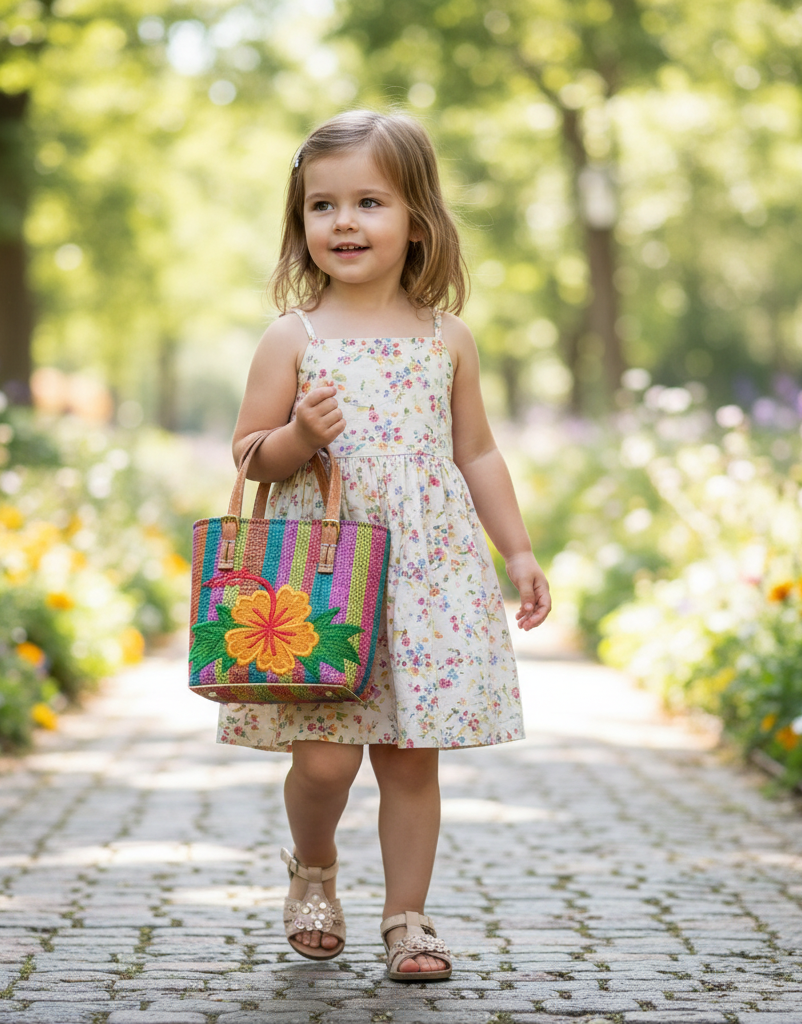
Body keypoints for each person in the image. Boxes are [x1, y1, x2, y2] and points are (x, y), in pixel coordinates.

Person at [220, 109, 551, 981]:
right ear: (301, 221)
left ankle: (408, 916)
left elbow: (477, 452)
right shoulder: (293, 338)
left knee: (409, 761)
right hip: (325, 580)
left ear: (418, 220)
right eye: (322, 205)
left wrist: (517, 551)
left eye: (369, 202)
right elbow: (250, 454)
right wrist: (298, 435)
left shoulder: (447, 340)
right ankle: (314, 867)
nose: (345, 222)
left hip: (424, 578)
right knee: (325, 764)